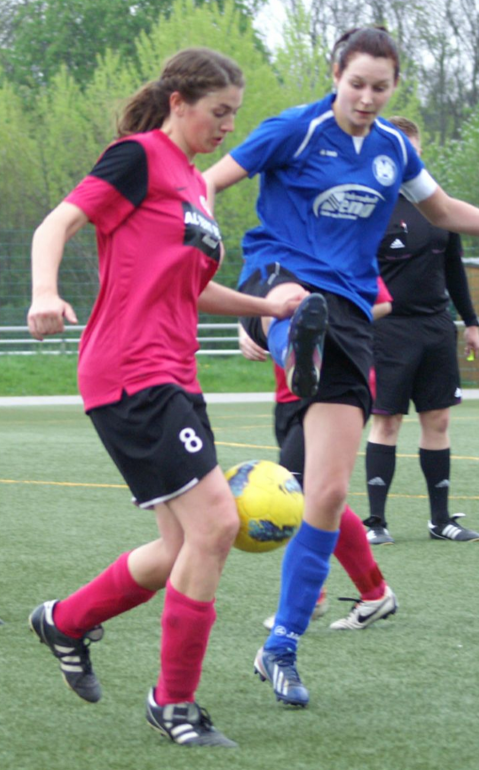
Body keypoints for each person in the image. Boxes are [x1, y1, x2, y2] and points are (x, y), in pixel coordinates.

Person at [204, 26, 479, 709]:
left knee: (328, 494)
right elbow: (210, 180)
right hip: (283, 278)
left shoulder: (394, 149)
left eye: (380, 86)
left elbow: (444, 209)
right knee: (297, 308)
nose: (367, 97)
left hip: (352, 310)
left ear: (394, 85)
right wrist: (199, 240)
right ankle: (278, 330)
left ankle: (280, 645)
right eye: (356, 83)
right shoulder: (295, 130)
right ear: (334, 73)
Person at [26, 47, 305, 749]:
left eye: (234, 115)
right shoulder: (138, 157)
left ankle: (64, 620)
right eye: (219, 113)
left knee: (181, 544)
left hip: (174, 374)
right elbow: (55, 224)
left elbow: (190, 286)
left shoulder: (195, 186)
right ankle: (174, 704)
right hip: (128, 370)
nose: (227, 127)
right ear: (178, 102)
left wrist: (265, 307)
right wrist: (44, 292)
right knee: (214, 526)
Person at [238, 273, 393, 632]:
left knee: (300, 491)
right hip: (289, 390)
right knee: (315, 495)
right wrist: (246, 331)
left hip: (331, 390)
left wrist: (323, 327)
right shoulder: (271, 248)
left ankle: (316, 598)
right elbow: (251, 302)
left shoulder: (334, 244)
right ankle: (367, 593)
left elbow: (383, 301)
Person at [364, 116, 479, 546]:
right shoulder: (370, 207)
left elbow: (455, 270)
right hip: (388, 330)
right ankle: (376, 523)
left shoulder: (440, 208)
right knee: (387, 422)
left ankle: (440, 520)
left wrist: (471, 322)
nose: (406, 159)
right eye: (398, 151)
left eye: (412, 151)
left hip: (436, 327)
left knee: (438, 419)